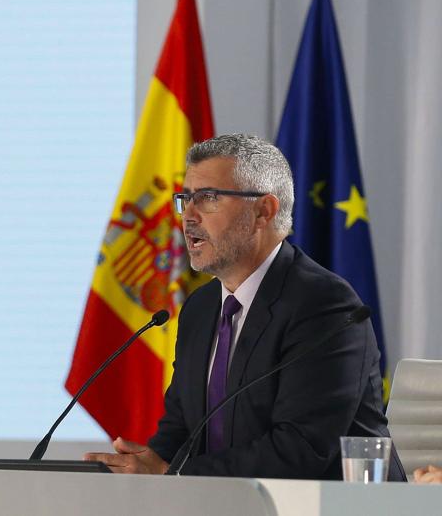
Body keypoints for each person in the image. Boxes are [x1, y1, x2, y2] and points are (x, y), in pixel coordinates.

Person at [84, 134, 404, 480]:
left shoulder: (325, 307)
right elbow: (180, 430)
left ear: (263, 212)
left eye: (207, 199)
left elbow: (300, 449)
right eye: (185, 198)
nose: (187, 216)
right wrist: (136, 470)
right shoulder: (201, 309)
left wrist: (173, 475)